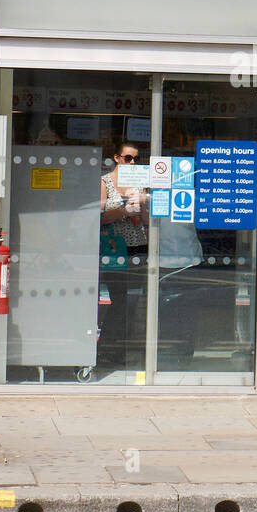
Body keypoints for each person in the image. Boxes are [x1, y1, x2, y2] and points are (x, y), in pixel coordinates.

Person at [98, 141, 149, 365]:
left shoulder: (140, 182)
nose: (133, 162)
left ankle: (120, 349)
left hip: (138, 245)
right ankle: (109, 347)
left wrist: (142, 206)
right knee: (119, 299)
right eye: (128, 158)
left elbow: (148, 220)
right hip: (113, 246)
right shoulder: (105, 181)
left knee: (133, 301)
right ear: (117, 158)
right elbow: (98, 217)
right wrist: (123, 211)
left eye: (136, 158)